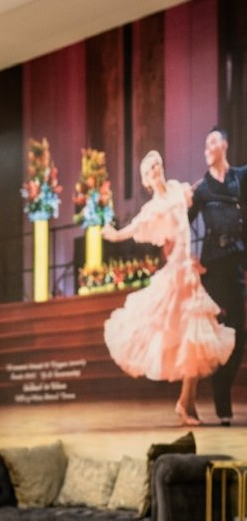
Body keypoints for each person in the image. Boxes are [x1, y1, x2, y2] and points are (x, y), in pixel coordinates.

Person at [102, 150, 234, 425]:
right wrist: (114, 234)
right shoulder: (153, 208)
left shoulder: (176, 189)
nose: (156, 171)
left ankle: (186, 402)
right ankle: (186, 404)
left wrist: (216, 174)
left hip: (188, 271)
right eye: (150, 170)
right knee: (178, 331)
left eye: (157, 166)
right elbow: (134, 227)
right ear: (146, 181)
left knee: (196, 337)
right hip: (176, 273)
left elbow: (195, 191)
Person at [188, 127, 247, 425]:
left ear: (224, 144)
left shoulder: (240, 176)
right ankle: (222, 403)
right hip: (212, 267)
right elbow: (180, 223)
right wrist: (188, 257)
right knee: (218, 332)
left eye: (213, 140)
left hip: (236, 262)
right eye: (205, 142)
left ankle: (222, 383)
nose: (208, 146)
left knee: (239, 333)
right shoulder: (202, 188)